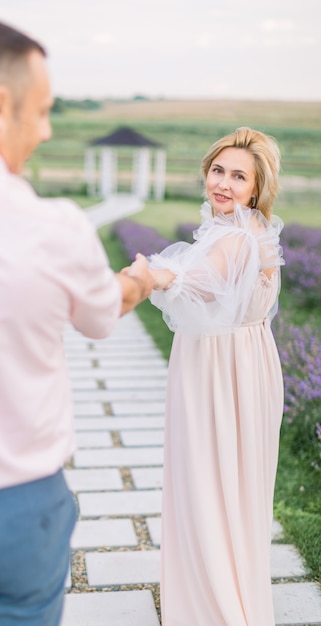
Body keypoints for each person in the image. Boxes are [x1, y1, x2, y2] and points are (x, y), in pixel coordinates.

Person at [0, 16, 153, 626]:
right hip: (20, 516)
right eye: (40, 112)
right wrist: (141, 282)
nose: (43, 131)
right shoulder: (57, 226)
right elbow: (101, 313)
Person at [149, 127, 284, 626]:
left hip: (219, 370)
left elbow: (198, 282)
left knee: (208, 482)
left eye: (238, 176)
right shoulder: (257, 230)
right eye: (217, 170)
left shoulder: (233, 237)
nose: (223, 183)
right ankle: (235, 596)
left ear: (256, 187)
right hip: (247, 360)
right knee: (236, 489)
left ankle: (215, 609)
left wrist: (152, 275)